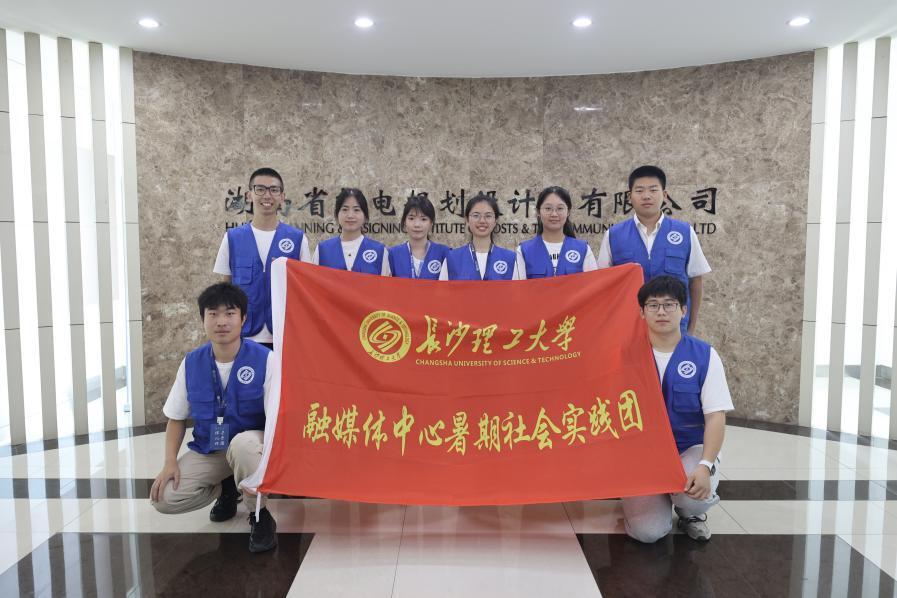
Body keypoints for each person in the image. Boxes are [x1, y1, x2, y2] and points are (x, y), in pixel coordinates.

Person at [150, 283, 277, 553]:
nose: (221, 322)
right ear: (203, 319)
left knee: (243, 447)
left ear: (243, 318)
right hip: (212, 449)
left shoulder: (266, 360)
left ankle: (258, 513)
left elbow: (277, 416)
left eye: (230, 313)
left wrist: (268, 458)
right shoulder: (191, 363)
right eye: (213, 314)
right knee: (164, 499)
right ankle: (225, 488)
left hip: (252, 445)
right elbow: (176, 418)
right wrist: (169, 463)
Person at [621, 276, 733, 543]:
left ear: (683, 310)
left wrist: (705, 465)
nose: (661, 312)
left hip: (689, 448)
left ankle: (690, 512)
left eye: (669, 304)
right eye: (653, 305)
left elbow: (715, 417)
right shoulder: (625, 355)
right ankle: (649, 500)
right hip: (643, 452)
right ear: (642, 312)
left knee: (691, 497)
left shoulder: (704, 356)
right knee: (647, 533)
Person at [597, 166, 710, 334]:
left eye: (653, 190)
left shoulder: (684, 232)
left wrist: (691, 329)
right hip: (628, 329)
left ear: (665, 195)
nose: (646, 196)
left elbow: (695, 281)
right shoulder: (613, 235)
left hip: (674, 330)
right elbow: (603, 285)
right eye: (639, 190)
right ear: (629, 197)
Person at [213, 167, 309, 349]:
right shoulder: (233, 238)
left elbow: (306, 291)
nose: (267, 195)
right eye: (260, 189)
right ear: (249, 195)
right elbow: (225, 290)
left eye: (274, 190)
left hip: (285, 335)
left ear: (282, 196)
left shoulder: (297, 239)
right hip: (244, 336)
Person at [516, 185, 596, 278]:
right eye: (548, 208)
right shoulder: (524, 251)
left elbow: (594, 284)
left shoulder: (583, 249)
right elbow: (518, 286)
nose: (554, 214)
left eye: (560, 208)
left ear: (568, 212)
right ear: (538, 212)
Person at [440, 193, 521, 280]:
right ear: (467, 220)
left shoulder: (510, 258)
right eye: (476, 215)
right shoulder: (452, 258)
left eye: (488, 216)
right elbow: (442, 288)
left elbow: (517, 289)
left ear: (495, 221)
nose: (482, 221)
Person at [313, 187, 390, 275]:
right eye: (345, 209)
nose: (350, 215)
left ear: (365, 216)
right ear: (337, 215)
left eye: (356, 210)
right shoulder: (322, 250)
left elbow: (385, 283)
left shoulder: (379, 251)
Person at [388, 193, 451, 279]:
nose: (417, 224)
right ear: (404, 222)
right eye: (411, 218)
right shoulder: (393, 254)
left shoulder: (444, 253)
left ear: (431, 224)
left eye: (423, 219)